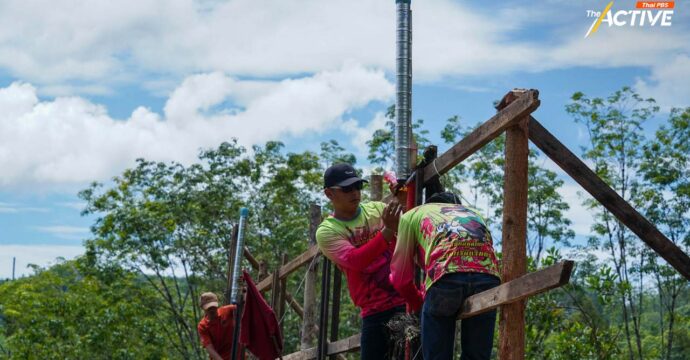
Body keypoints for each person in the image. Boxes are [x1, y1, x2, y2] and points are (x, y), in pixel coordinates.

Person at [390, 191, 501, 360]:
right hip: (488, 277)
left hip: (446, 276)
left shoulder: (411, 215)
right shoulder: (474, 214)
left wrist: (419, 304)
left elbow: (400, 279)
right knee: (477, 356)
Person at [316, 163, 405, 360]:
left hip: (405, 300)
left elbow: (408, 230)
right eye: (347, 189)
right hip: (374, 311)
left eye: (358, 186)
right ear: (329, 194)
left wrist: (403, 202)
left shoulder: (378, 210)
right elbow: (356, 261)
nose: (355, 192)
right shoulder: (327, 231)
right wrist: (388, 231)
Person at [197, 292, 237, 360]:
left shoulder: (227, 311)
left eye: (213, 306)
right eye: (209, 308)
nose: (212, 309)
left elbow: (243, 307)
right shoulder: (203, 326)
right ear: (203, 308)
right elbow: (210, 348)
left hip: (238, 355)